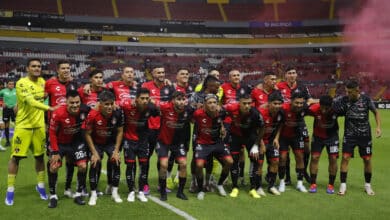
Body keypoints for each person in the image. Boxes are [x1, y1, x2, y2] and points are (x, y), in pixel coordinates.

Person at [5, 59, 59, 206]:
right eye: (33, 66)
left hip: (39, 127)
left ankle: (40, 186)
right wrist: (49, 109)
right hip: (23, 127)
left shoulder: (43, 82)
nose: (36, 68)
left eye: (39, 66)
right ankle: (10, 190)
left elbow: (56, 87)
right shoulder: (21, 82)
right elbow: (29, 101)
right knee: (15, 158)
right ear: (28, 68)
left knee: (40, 157)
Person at [333, 80, 381, 196]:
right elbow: (331, 104)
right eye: (346, 92)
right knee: (345, 158)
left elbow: (376, 112)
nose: (348, 94)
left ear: (357, 90)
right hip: (349, 135)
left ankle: (367, 185)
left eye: (350, 92)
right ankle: (343, 185)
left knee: (367, 159)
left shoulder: (366, 99)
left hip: (365, 135)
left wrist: (378, 127)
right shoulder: (344, 100)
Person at [45, 60, 81, 198]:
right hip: (54, 126)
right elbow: (42, 99)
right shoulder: (50, 83)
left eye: (68, 68)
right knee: (54, 163)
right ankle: (52, 192)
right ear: (58, 70)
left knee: (71, 161)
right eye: (63, 68)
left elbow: (79, 100)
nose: (66, 70)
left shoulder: (74, 84)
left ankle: (67, 188)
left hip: (71, 128)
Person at [47, 90, 89, 208]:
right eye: (72, 103)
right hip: (60, 143)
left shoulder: (85, 110)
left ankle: (78, 194)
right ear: (66, 102)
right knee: (54, 166)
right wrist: (55, 152)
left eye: (77, 102)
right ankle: (53, 196)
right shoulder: (58, 113)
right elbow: (52, 133)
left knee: (83, 166)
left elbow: (96, 110)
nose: (75, 105)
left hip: (76, 142)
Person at [83, 91, 124, 206]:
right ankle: (93, 193)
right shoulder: (92, 115)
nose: (109, 107)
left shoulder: (118, 113)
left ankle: (114, 192)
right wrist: (94, 153)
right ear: (100, 104)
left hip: (110, 142)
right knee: (95, 163)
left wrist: (116, 151)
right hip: (96, 143)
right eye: (106, 104)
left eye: (111, 104)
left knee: (116, 161)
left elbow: (120, 131)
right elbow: (87, 134)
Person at [120, 88, 159, 202]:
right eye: (142, 98)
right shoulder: (127, 105)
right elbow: (116, 104)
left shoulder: (150, 107)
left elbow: (158, 112)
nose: (145, 101)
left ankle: (141, 191)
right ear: (136, 99)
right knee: (130, 166)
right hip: (129, 140)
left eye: (147, 98)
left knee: (144, 165)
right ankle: (131, 191)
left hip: (143, 141)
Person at [276, 66, 314, 184]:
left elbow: (311, 100)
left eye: (294, 73)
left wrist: (302, 107)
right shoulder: (279, 87)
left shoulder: (302, 87)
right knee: (284, 150)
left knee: (306, 148)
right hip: (285, 120)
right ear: (285, 75)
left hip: (299, 121)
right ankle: (287, 177)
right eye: (290, 73)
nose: (292, 75)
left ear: (296, 74)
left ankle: (304, 172)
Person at [192, 94, 233, 200]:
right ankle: (201, 189)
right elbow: (191, 120)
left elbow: (227, 119)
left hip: (217, 143)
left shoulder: (222, 112)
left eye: (214, 102)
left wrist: (224, 128)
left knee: (229, 162)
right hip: (202, 143)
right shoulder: (198, 114)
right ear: (205, 104)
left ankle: (219, 185)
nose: (212, 105)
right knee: (199, 165)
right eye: (209, 103)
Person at [224, 93, 265, 198]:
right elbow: (219, 111)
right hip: (235, 137)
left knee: (255, 159)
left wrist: (256, 145)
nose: (247, 106)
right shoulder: (231, 108)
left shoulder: (255, 113)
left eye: (249, 103)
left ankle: (253, 188)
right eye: (244, 103)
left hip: (250, 137)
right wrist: (222, 126)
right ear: (239, 103)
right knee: (234, 160)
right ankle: (234, 187)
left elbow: (262, 128)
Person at [142, 65, 174, 195]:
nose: (161, 74)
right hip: (149, 128)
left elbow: (174, 103)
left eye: (163, 72)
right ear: (153, 74)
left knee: (162, 158)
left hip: (164, 129)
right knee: (146, 158)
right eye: (158, 72)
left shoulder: (169, 87)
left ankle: (162, 185)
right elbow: (143, 102)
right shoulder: (146, 86)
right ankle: (144, 185)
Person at [157, 91, 193, 201]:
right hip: (163, 142)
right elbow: (152, 102)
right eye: (179, 100)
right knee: (163, 165)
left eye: (183, 100)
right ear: (173, 100)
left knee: (183, 164)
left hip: (178, 143)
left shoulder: (189, 110)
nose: (181, 102)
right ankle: (163, 192)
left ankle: (180, 192)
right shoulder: (165, 107)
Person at [306, 95, 340, 194]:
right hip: (317, 137)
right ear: (319, 105)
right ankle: (313, 184)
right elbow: (301, 111)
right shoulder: (314, 108)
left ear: (331, 106)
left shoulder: (337, 109)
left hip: (332, 138)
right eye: (322, 108)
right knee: (315, 158)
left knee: (333, 159)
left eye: (327, 108)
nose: (324, 110)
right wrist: (308, 103)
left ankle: (331, 185)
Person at [278, 91, 308, 193]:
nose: (299, 105)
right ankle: (282, 182)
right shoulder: (283, 109)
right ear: (291, 101)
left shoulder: (304, 108)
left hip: (296, 135)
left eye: (301, 103)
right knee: (282, 158)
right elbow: (279, 124)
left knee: (300, 157)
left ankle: (300, 183)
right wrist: (276, 138)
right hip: (283, 137)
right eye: (297, 103)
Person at [259, 92, 284, 195]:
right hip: (258, 140)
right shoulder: (261, 113)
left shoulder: (281, 113)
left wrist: (277, 138)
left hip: (270, 140)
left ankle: (271, 186)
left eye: (279, 103)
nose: (277, 106)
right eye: (275, 103)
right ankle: (258, 186)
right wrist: (261, 144)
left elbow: (280, 125)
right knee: (259, 164)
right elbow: (256, 130)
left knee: (275, 161)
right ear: (269, 103)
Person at [0, 80, 17, 147]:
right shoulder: (3, 91)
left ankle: (17, 141)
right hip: (6, 110)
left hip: (14, 110)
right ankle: (7, 141)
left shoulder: (16, 91)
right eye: (10, 84)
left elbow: (21, 98)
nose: (11, 85)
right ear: (7, 85)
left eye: (12, 84)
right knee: (6, 125)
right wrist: (1, 103)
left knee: (17, 125)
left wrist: (17, 105)